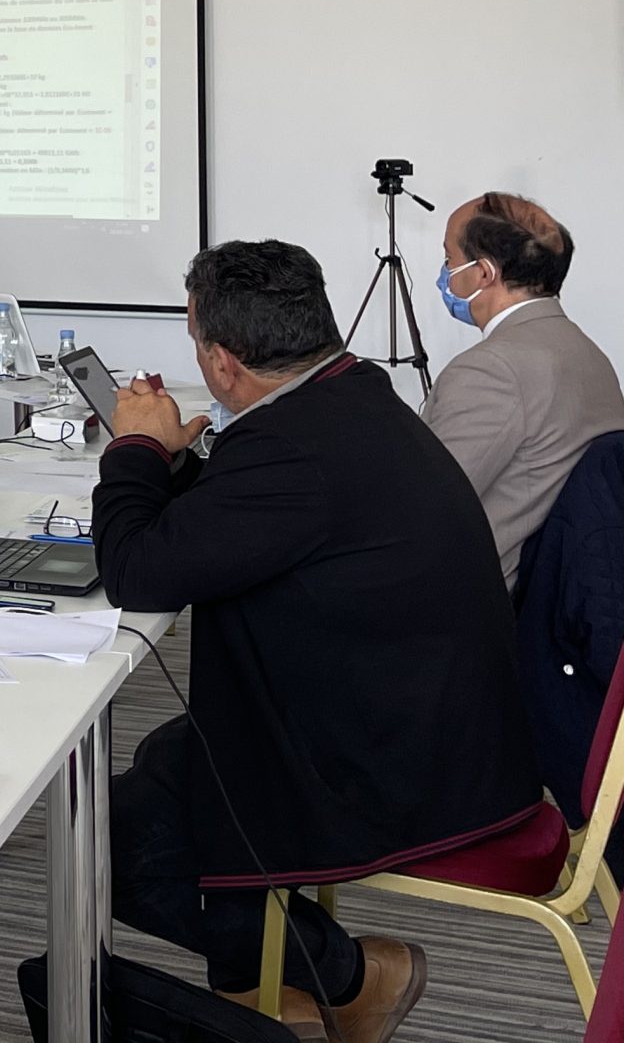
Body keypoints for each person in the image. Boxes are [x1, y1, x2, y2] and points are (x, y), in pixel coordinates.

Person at [97, 238, 540, 1043]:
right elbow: (244, 524)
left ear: (223, 362)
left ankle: (352, 976)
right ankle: (263, 989)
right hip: (428, 715)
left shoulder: (292, 450)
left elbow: (136, 572)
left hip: (398, 761)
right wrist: (182, 461)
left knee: (112, 845)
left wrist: (134, 448)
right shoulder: (348, 395)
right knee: (176, 764)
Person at [428, 191, 624, 587]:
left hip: (482, 597)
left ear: (483, 273)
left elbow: (422, 506)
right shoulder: (589, 354)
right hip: (563, 595)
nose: (446, 273)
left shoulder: (490, 369)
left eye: (449, 258)